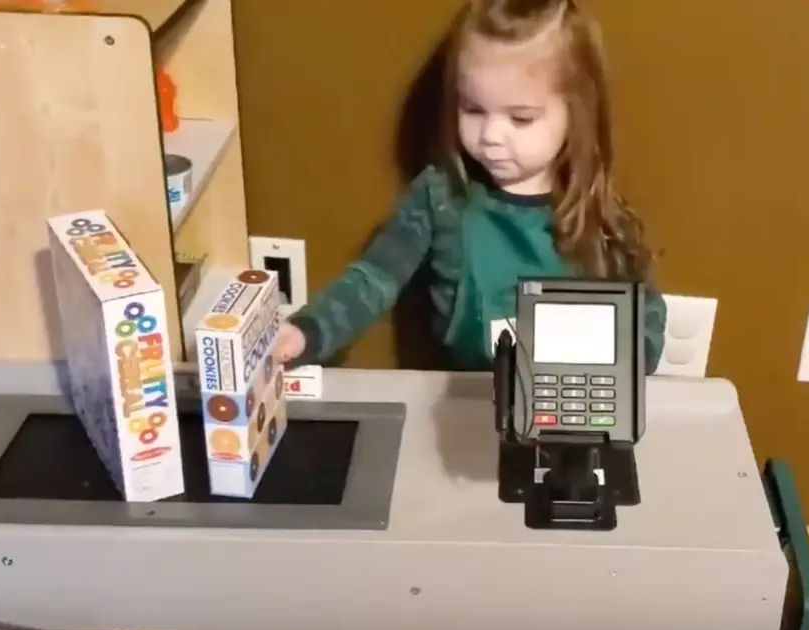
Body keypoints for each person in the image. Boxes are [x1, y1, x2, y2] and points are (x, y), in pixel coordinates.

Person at [275, 0, 667, 379]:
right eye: (473, 110)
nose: (491, 136)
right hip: (461, 402)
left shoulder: (597, 212)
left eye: (520, 118)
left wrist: (630, 362)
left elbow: (645, 311)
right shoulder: (439, 197)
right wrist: (309, 331)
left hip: (562, 407)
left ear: (576, 113)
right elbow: (374, 277)